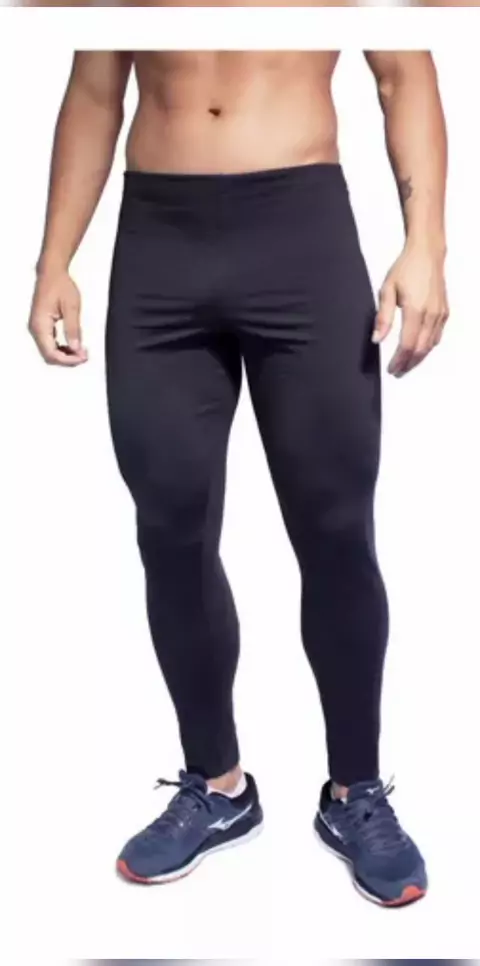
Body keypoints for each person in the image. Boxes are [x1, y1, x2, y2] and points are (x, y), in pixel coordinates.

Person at [28, 50, 448, 905]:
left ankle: (356, 791)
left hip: (301, 232)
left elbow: (405, 74)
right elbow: (96, 89)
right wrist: (54, 261)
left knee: (334, 528)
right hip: (159, 243)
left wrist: (426, 245)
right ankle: (217, 785)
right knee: (170, 529)